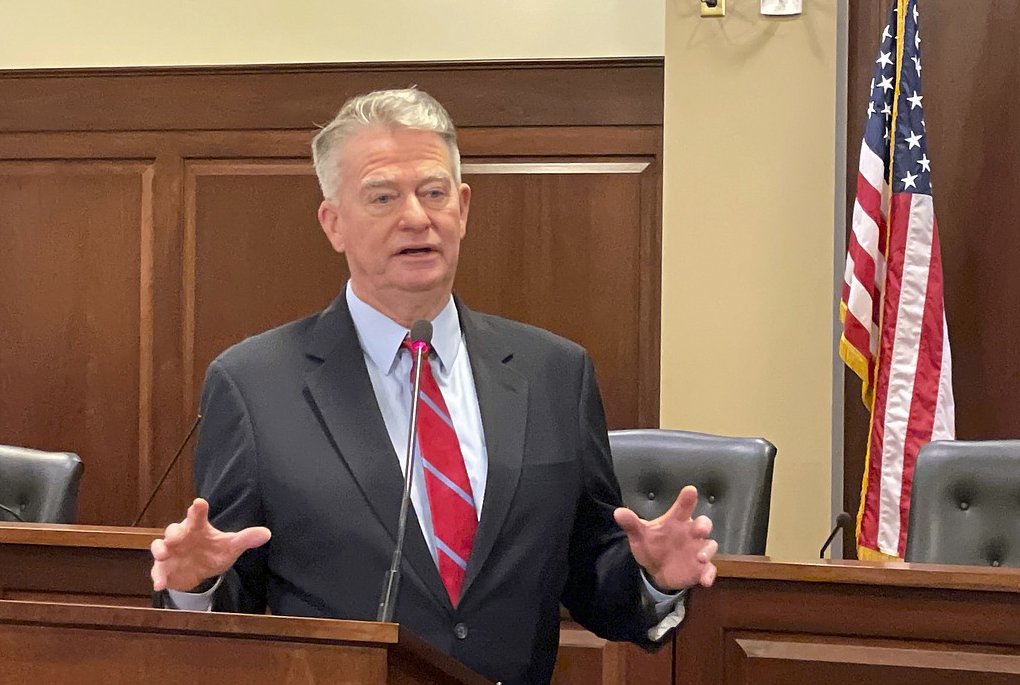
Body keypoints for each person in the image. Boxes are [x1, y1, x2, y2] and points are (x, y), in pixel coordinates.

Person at [149, 88, 717, 685]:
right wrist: (198, 586)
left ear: (463, 209)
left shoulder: (555, 373)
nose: (416, 217)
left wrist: (650, 576)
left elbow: (591, 576)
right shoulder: (255, 385)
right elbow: (234, 606)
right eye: (383, 196)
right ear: (333, 223)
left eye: (434, 192)